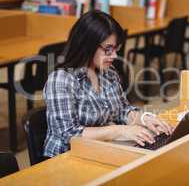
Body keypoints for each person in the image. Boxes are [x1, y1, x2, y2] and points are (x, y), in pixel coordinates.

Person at [43, 10, 173, 157]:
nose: (115, 55)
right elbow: (69, 134)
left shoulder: (108, 72)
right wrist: (119, 131)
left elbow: (122, 110)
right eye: (108, 49)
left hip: (100, 149)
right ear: (87, 45)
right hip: (66, 158)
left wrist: (145, 119)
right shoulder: (61, 80)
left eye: (115, 49)